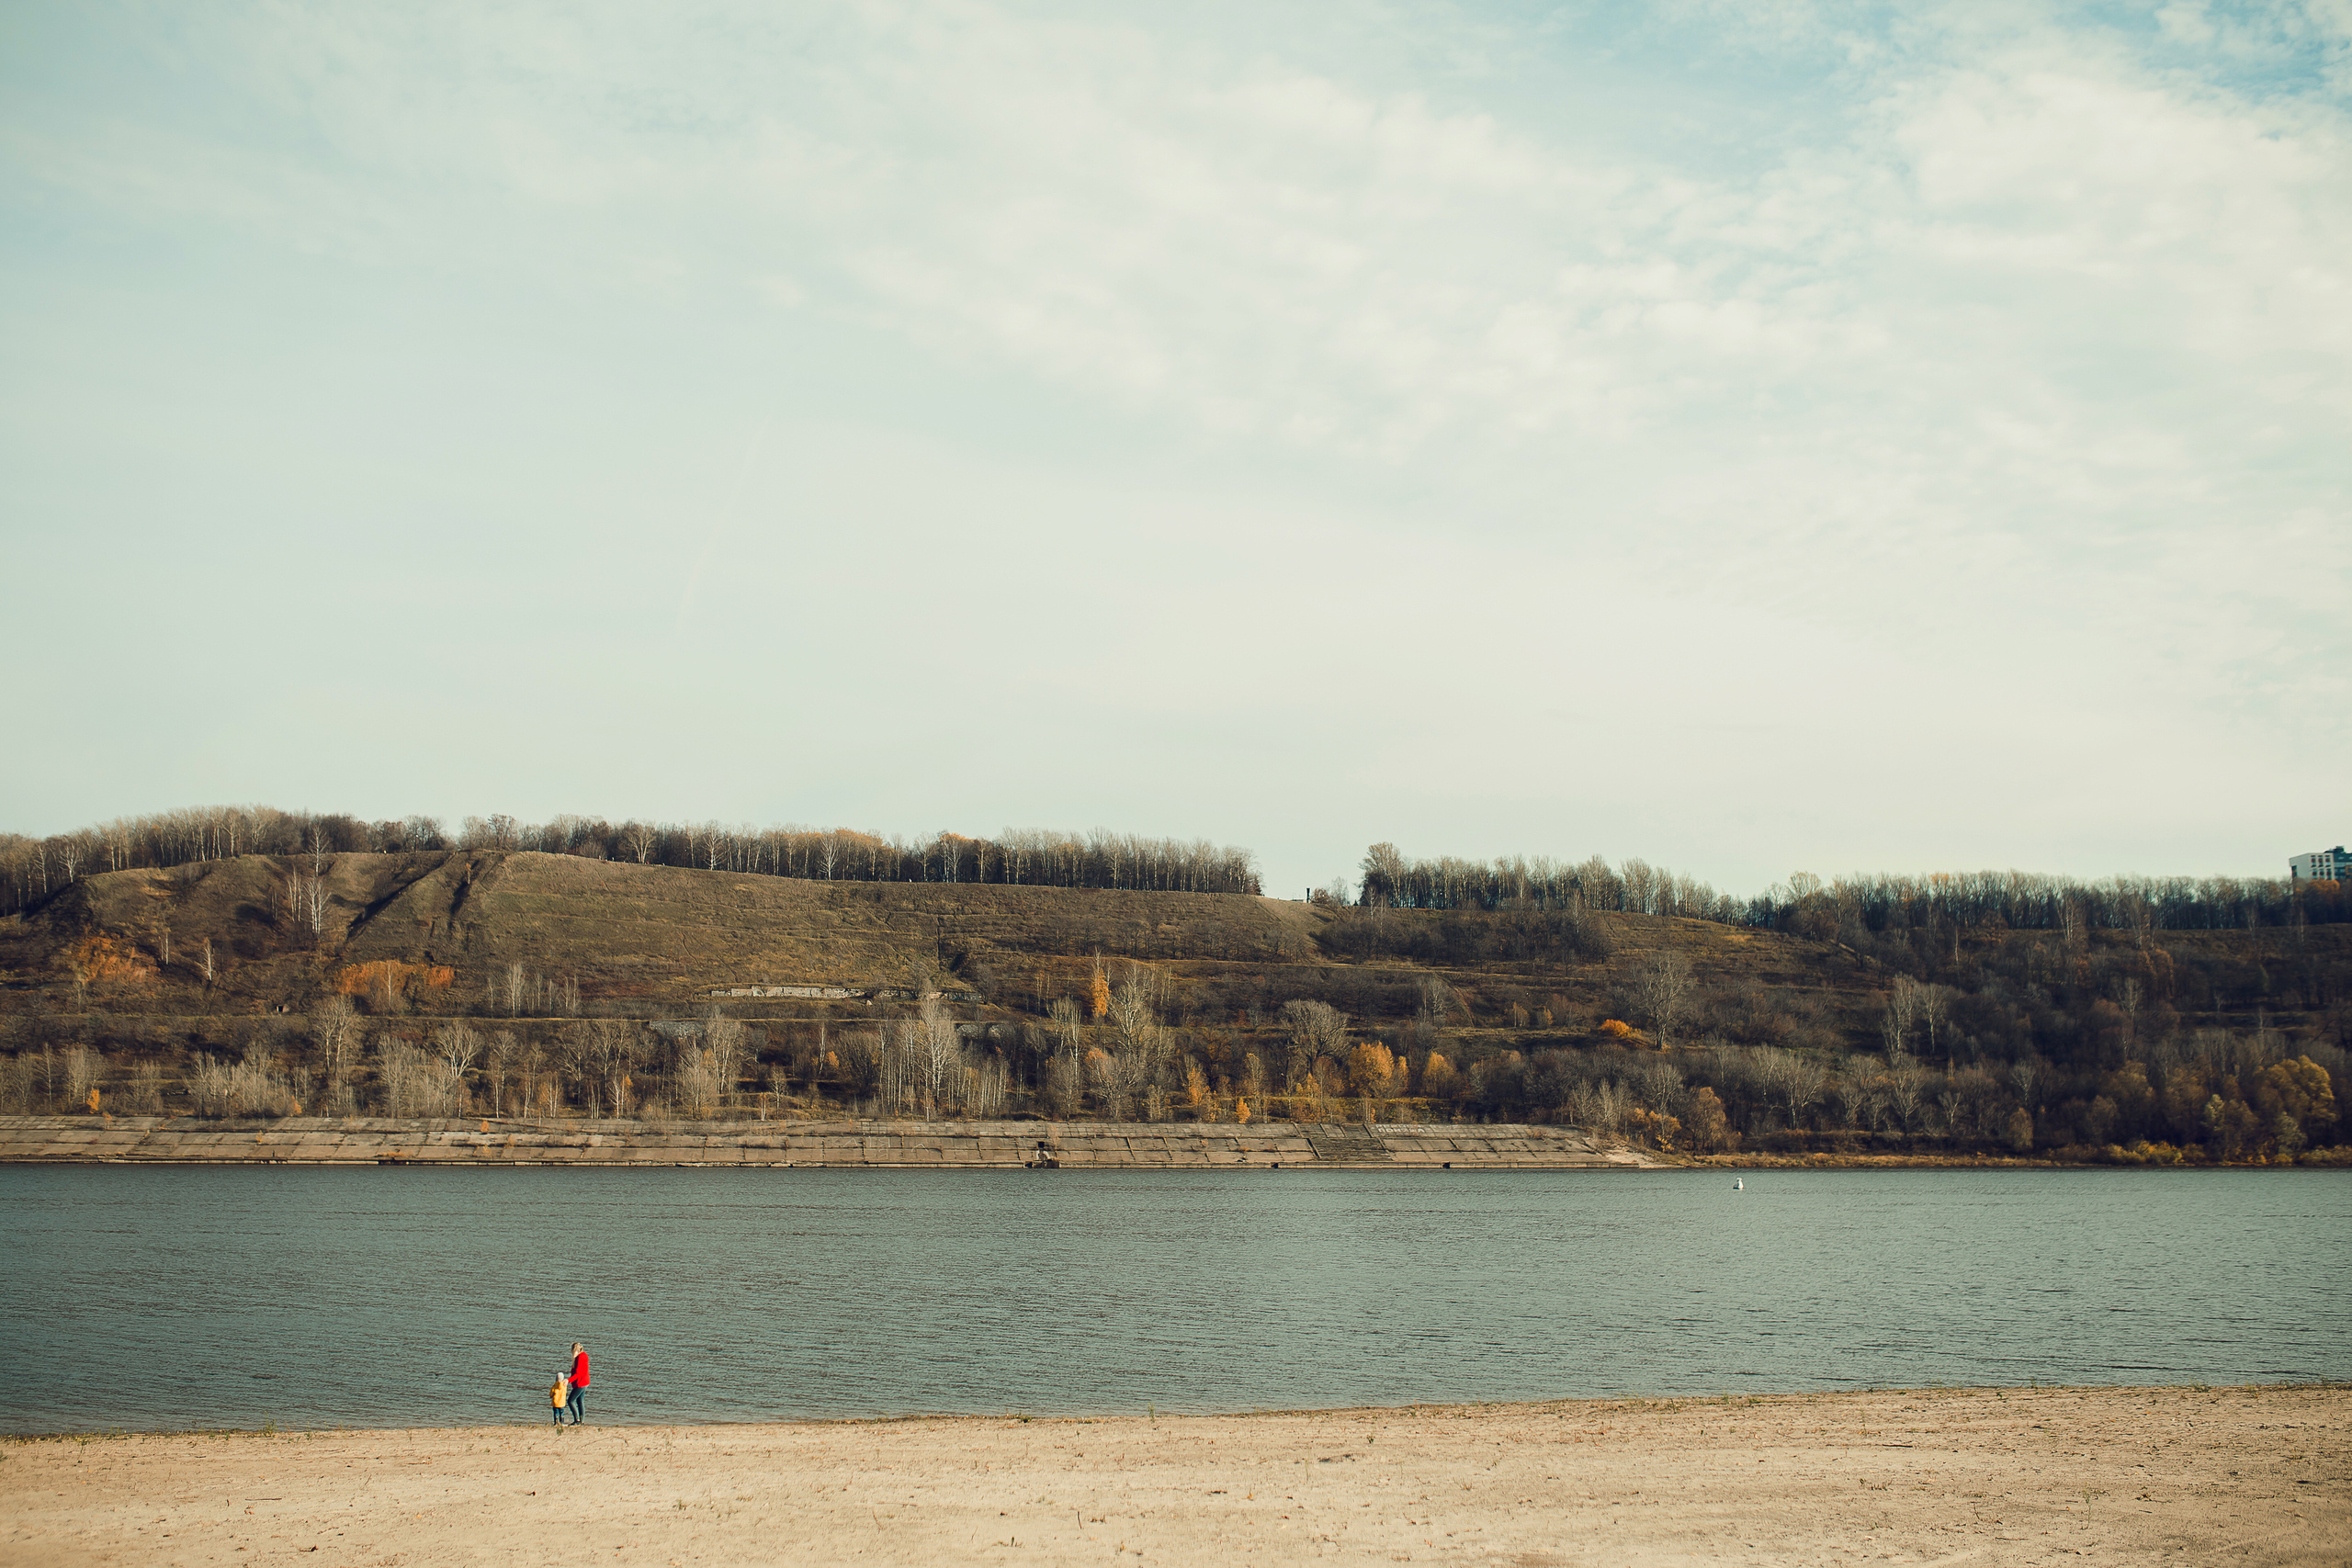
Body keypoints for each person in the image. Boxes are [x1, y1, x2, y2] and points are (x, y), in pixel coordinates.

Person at [565, 1342, 590, 1425]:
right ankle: (582, 1421)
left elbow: (578, 1374)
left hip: (581, 1383)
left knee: (570, 1401)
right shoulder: (584, 1355)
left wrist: (568, 1380)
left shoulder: (580, 1358)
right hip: (585, 1382)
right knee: (580, 1401)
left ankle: (577, 1420)